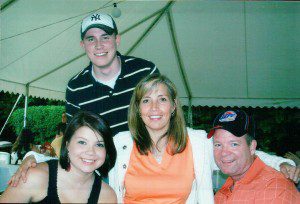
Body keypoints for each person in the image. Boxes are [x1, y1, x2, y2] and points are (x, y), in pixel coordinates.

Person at [108, 74, 298, 203]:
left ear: (174, 106)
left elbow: (238, 152)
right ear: (138, 108)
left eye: (162, 99)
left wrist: (281, 163)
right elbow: (88, 164)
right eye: (146, 100)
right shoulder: (121, 143)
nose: (154, 107)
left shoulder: (196, 142)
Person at [66, 12, 159, 135]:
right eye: (91, 39)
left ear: (117, 39)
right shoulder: (75, 88)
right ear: (83, 45)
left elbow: (165, 119)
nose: (98, 45)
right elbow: (76, 137)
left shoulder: (145, 71)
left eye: (105, 37)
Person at [0, 111, 117, 203]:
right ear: (67, 145)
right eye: (82, 142)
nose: (91, 151)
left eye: (99, 144)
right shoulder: (34, 177)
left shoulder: (107, 196)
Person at [207, 109, 300, 203]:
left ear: (252, 147)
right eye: (218, 145)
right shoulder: (223, 192)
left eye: (234, 144)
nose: (224, 153)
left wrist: (280, 163)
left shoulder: (275, 189)